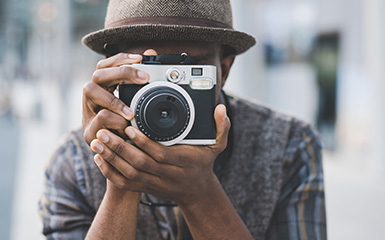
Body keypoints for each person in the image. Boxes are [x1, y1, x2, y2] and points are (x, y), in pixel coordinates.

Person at [39, 0, 327, 239]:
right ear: (113, 70)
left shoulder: (288, 146)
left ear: (223, 71)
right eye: (148, 74)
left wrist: (200, 194)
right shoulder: (73, 161)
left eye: (186, 73)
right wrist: (120, 177)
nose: (168, 95)